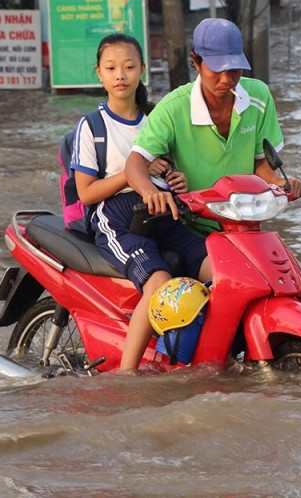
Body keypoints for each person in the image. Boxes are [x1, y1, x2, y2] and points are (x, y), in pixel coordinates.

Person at [71, 33, 212, 373]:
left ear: (142, 70)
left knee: (221, 267)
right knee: (159, 282)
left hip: (164, 212)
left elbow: (170, 171)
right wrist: (134, 173)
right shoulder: (92, 127)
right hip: (117, 219)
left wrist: (176, 181)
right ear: (99, 73)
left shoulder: (157, 119)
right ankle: (127, 374)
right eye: (111, 68)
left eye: (129, 66)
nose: (121, 75)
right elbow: (87, 193)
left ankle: (207, 356)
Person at [125, 18, 301, 235]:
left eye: (234, 70)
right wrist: (151, 193)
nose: (227, 79)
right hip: (190, 226)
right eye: (217, 70)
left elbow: (261, 166)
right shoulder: (173, 108)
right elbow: (135, 162)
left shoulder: (259, 96)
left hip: (245, 223)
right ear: (196, 61)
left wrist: (281, 182)